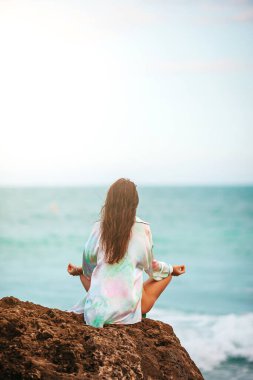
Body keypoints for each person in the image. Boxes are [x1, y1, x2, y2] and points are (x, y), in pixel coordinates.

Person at [67, 178, 185, 328]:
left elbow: (89, 267)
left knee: (86, 272)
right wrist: (172, 269)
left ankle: (101, 295)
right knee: (166, 273)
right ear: (135, 203)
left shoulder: (98, 227)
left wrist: (79, 271)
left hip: (97, 311)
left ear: (109, 202)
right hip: (127, 313)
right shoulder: (142, 228)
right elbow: (151, 268)